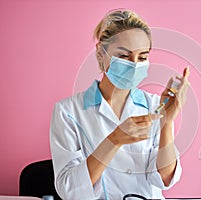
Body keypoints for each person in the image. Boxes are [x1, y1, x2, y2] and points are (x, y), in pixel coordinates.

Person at [50, 9, 190, 200]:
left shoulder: (154, 105)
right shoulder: (68, 112)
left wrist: (167, 122)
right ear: (101, 53)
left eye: (142, 57)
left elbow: (165, 178)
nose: (134, 64)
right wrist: (114, 140)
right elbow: (70, 190)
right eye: (124, 56)